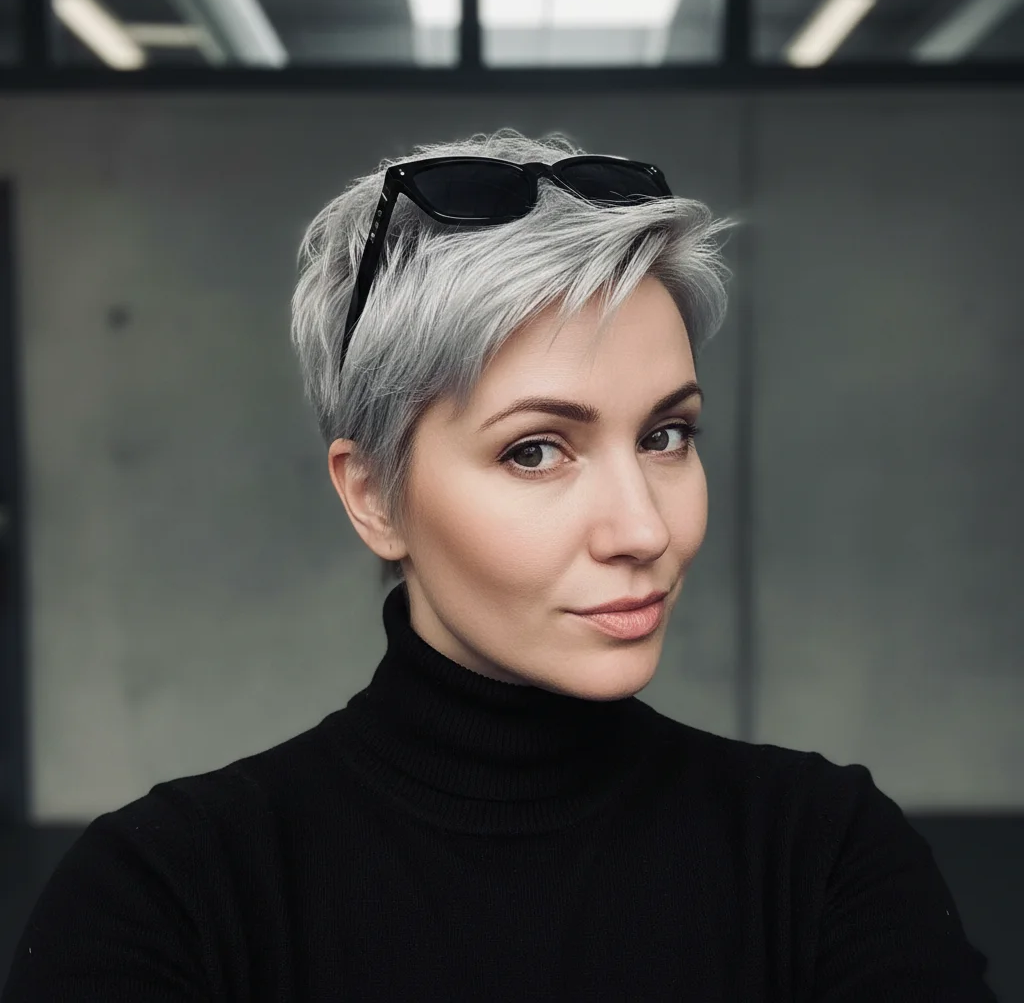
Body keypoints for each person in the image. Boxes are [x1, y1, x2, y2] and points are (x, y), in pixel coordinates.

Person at [1, 129, 998, 1001]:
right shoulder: (171, 897)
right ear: (372, 495)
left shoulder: (820, 857)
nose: (641, 528)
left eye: (665, 434)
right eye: (537, 449)